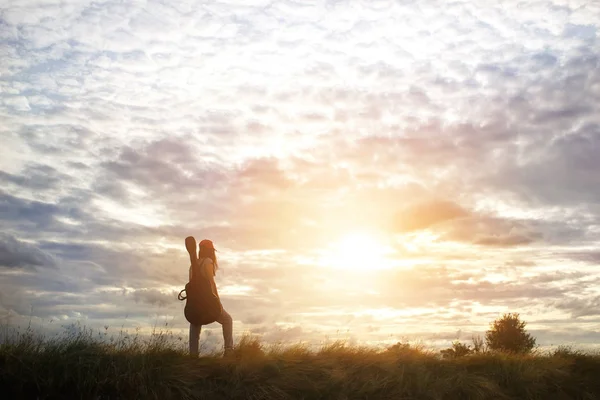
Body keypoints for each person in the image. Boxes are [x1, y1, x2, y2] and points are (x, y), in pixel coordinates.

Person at [188, 239, 234, 357]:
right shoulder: (208, 262)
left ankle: (193, 355)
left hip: (195, 302)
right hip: (208, 303)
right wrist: (217, 301)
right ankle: (229, 351)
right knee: (227, 320)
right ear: (210, 251)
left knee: (195, 322)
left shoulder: (193, 265)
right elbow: (211, 283)